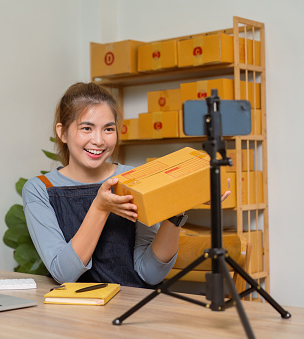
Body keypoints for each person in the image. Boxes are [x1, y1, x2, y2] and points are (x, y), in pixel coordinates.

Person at [22, 82, 228, 288]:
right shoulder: (40, 189)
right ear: (63, 132)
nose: (99, 140)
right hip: (74, 312)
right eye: (86, 128)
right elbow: (64, 274)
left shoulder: (135, 179)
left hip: (132, 308)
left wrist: (178, 203)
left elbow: (150, 274)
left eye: (108, 129)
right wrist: (100, 207)